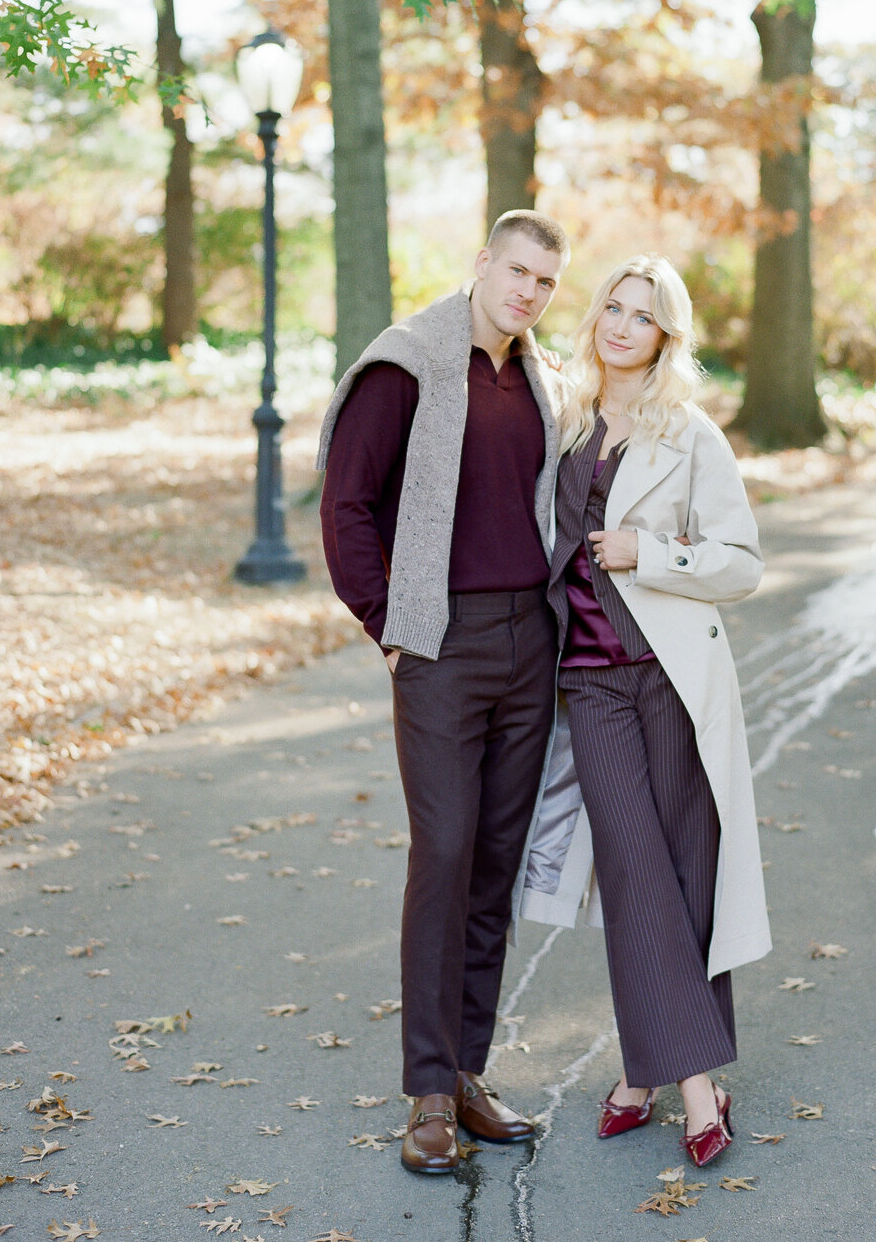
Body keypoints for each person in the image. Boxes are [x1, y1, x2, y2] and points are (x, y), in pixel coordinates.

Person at [317, 210, 568, 1176]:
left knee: (497, 862)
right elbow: (347, 502)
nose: (528, 292)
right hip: (441, 644)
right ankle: (427, 1090)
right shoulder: (407, 362)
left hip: (529, 641)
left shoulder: (541, 379)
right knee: (447, 851)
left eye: (545, 282)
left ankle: (467, 1073)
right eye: (518, 271)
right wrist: (388, 626)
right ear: (483, 263)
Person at [514, 255, 769, 1168]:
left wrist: (649, 552)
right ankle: (700, 1087)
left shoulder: (690, 434)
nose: (622, 326)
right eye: (613, 309)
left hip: (672, 678)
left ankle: (642, 1071)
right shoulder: (562, 420)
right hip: (589, 683)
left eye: (643, 315)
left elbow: (742, 563)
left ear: (666, 335)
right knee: (633, 871)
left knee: (688, 872)